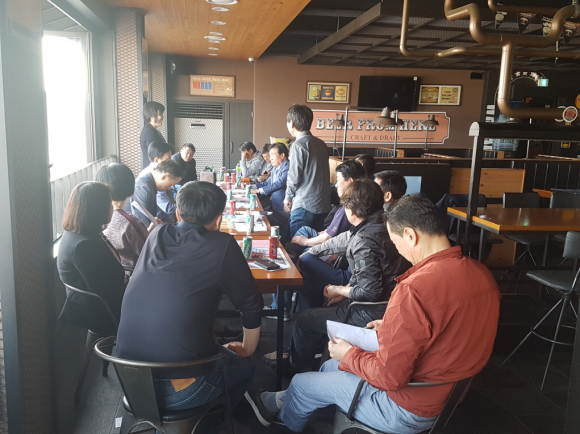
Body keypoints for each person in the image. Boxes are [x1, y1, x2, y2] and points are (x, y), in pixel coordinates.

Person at [247, 194, 501, 433]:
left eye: (396, 242)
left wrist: (349, 354)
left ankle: (283, 421)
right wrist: (392, 325)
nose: (398, 250)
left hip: (407, 407)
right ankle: (286, 401)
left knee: (303, 383)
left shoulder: (414, 289)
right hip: (449, 395)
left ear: (410, 235)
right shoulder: (481, 274)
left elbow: (390, 377)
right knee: (329, 366)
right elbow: (447, 328)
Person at [115, 181, 263, 430]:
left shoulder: (157, 234)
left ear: (178, 213)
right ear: (219, 219)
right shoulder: (223, 244)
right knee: (244, 366)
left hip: (130, 380)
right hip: (180, 390)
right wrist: (247, 348)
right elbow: (251, 304)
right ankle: (209, 422)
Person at [263, 179, 410, 370]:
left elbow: (370, 291)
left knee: (305, 321)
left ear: (351, 212)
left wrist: (339, 290)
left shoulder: (365, 241)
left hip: (371, 311)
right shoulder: (382, 224)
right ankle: (307, 351)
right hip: (389, 303)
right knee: (318, 306)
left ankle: (297, 370)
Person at [57, 182, 126, 335]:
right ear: (98, 208)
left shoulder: (75, 233)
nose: (112, 207)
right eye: (109, 203)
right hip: (101, 310)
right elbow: (108, 290)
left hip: (97, 301)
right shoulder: (85, 245)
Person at [288, 160, 365, 255]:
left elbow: (327, 238)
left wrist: (305, 242)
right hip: (331, 238)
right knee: (305, 230)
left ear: (350, 181)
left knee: (304, 253)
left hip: (334, 248)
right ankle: (290, 254)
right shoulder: (360, 199)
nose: (336, 185)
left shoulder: (350, 207)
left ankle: (291, 257)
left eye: (338, 179)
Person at [284, 104, 331, 239]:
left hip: (304, 205)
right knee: (313, 246)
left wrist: (288, 197)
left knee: (297, 244)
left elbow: (294, 177)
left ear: (292, 124)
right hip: (323, 205)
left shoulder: (298, 145)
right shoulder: (321, 144)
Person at [96, 163, 154, 268]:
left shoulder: (97, 218)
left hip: (113, 271)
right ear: (130, 188)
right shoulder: (130, 223)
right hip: (135, 274)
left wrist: (146, 232)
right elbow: (149, 254)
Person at [132, 159, 182, 225]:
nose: (169, 188)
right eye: (170, 185)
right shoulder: (144, 189)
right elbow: (144, 224)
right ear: (164, 177)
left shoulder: (150, 183)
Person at [251, 143, 289, 211]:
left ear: (282, 155)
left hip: (283, 208)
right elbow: (267, 183)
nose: (270, 158)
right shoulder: (275, 168)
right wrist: (252, 187)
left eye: (272, 155)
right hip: (274, 205)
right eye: (270, 155)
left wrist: (259, 190)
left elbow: (280, 183)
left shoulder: (287, 167)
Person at [140, 101, 166, 169]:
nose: (162, 117)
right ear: (151, 116)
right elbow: (157, 153)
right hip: (154, 170)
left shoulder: (152, 130)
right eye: (160, 114)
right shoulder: (148, 132)